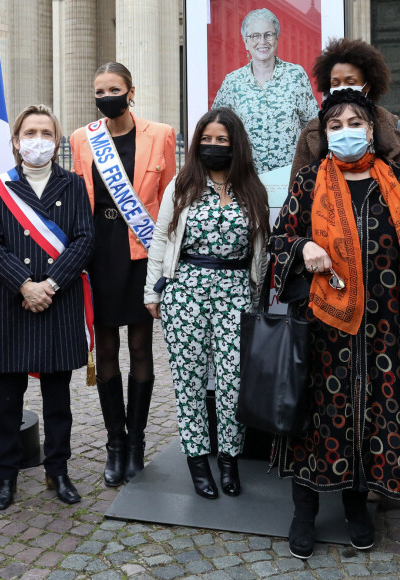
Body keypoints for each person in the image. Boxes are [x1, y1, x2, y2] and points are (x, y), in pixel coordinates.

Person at [271, 89, 400, 558]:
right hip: (322, 330)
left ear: (372, 129)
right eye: (336, 125)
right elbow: (280, 240)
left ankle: (357, 508)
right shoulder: (309, 181)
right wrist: (302, 249)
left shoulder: (397, 181)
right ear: (324, 133)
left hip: (384, 331)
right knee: (316, 418)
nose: (346, 131)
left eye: (356, 122)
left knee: (368, 417)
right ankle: (303, 513)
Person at [145, 108, 269, 499]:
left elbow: (260, 251)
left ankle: (229, 460)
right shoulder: (181, 186)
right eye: (207, 139)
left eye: (222, 140)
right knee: (189, 381)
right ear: (197, 142)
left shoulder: (252, 189)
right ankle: (198, 462)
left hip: (235, 292)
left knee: (233, 383)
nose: (213, 146)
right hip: (186, 291)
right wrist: (152, 291)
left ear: (236, 145)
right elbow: (161, 240)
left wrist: (257, 296)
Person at [0, 104, 94, 510]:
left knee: (57, 399)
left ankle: (57, 470)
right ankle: (6, 476)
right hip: (13, 303)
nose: (38, 140)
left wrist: (49, 284)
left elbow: (84, 239)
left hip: (57, 301)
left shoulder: (74, 185)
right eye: (30, 133)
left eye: (46, 133)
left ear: (58, 141)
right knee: (8, 399)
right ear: (15, 141)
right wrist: (25, 285)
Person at [70, 62, 176, 487]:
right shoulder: (82, 138)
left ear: (131, 91)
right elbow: (79, 198)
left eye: (114, 88)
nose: (106, 96)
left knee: (141, 350)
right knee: (108, 351)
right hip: (100, 250)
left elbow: (171, 201)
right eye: (99, 90)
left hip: (141, 252)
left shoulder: (162, 135)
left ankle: (137, 446)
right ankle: (115, 443)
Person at [290, 37, 400, 184]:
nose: (342, 88)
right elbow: (297, 193)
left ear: (367, 86)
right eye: (335, 83)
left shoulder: (399, 130)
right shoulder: (311, 132)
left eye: (350, 82)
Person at [212, 8, 318, 174]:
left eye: (268, 35)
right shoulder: (232, 82)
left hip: (290, 179)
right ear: (246, 42)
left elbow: (313, 125)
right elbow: (216, 128)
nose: (262, 41)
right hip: (246, 180)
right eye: (255, 36)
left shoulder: (296, 75)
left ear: (276, 38)